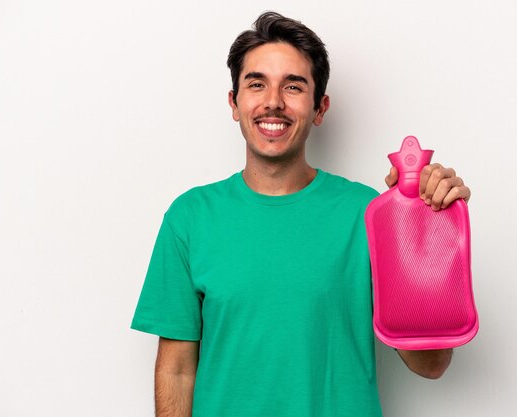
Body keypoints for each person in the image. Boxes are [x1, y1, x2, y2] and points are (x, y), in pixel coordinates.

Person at [131, 11, 471, 417]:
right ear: (234, 102)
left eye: (293, 86)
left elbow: (431, 366)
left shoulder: (371, 216)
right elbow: (176, 370)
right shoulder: (190, 217)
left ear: (320, 107)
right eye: (256, 84)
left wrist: (422, 225)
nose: (273, 102)